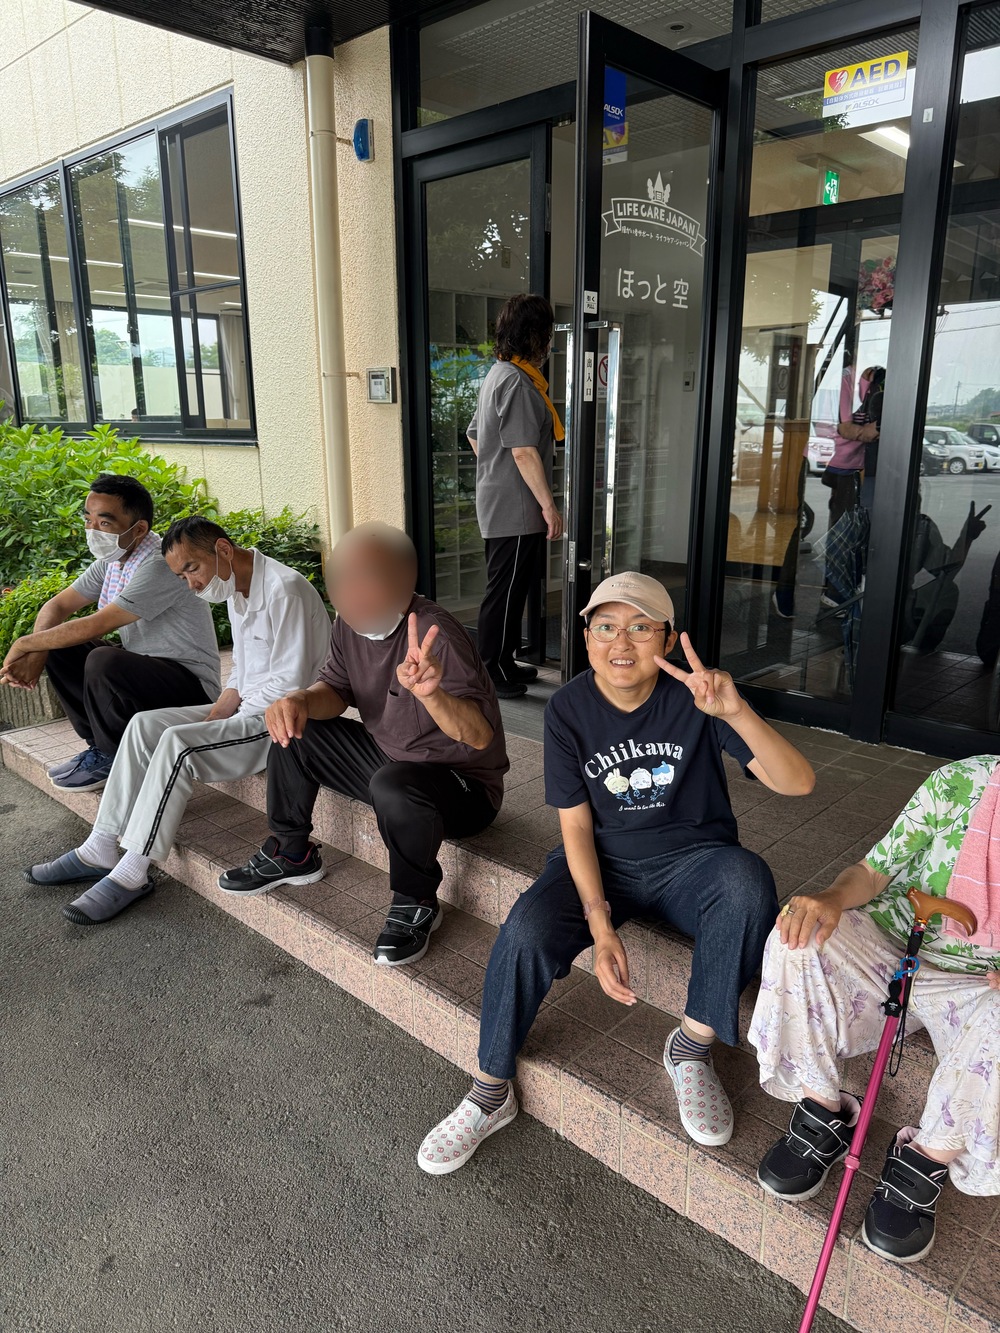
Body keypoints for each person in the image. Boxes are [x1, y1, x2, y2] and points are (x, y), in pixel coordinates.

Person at [418, 571, 815, 1175]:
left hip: (694, 863)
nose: (621, 643)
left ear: (668, 638)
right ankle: (490, 1091)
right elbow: (575, 827)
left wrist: (737, 714)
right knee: (525, 929)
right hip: (602, 863)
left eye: (640, 627)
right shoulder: (568, 709)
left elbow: (798, 783)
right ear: (586, 637)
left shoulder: (700, 698)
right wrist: (600, 925)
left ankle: (690, 1049)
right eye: (605, 627)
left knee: (747, 881)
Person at [219, 522, 509, 967]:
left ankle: (416, 900)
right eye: (341, 580)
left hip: (462, 787)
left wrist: (432, 695)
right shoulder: (350, 624)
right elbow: (335, 692)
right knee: (296, 728)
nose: (349, 594)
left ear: (403, 581)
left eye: (365, 579)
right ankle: (291, 851)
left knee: (395, 784)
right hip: (390, 761)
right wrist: (300, 699)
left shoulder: (436, 635)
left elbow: (478, 735)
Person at [749, 755, 1000, 1265]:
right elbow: (871, 871)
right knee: (799, 937)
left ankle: (926, 1160)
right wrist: (831, 898)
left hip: (980, 987)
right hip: (890, 946)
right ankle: (822, 1109)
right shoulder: (963, 781)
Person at [24, 517, 332, 925]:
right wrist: (218, 713)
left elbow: (289, 685)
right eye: (182, 576)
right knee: (143, 726)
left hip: (282, 723)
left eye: (192, 569)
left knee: (177, 743)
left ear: (223, 550)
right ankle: (100, 844)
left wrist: (217, 725)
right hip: (249, 709)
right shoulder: (238, 590)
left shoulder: (284, 589)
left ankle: (133, 871)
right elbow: (242, 671)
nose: (192, 584)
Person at [0, 474, 221, 791]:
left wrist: (25, 644)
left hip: (191, 686)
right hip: (147, 673)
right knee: (61, 645)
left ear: (139, 529)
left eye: (104, 522)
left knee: (103, 659)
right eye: (88, 519)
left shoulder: (159, 563)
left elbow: (99, 623)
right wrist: (37, 652)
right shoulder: (114, 560)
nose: (92, 530)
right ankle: (98, 746)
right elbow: (56, 606)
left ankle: (112, 751)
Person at [469, 293, 564, 699]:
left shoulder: (499, 374)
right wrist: (548, 506)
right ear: (536, 335)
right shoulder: (519, 383)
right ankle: (490, 669)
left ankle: (503, 661)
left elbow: (475, 435)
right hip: (517, 506)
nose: (550, 341)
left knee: (510, 588)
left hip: (501, 500)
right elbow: (524, 451)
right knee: (505, 591)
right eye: (548, 332)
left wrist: (496, 467)